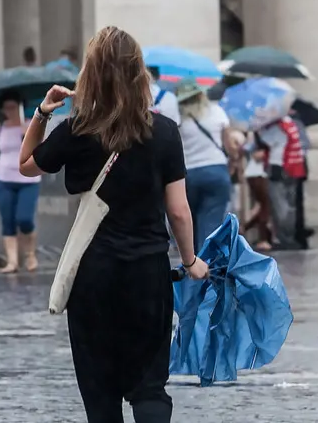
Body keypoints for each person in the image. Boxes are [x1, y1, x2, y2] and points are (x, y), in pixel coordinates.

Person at [19, 26, 208, 423]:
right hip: (148, 275)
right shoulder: (164, 132)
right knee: (150, 386)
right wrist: (190, 261)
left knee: (100, 394)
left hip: (94, 276)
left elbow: (26, 165)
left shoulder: (78, 129)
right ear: (140, 74)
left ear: (90, 75)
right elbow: (178, 210)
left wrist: (41, 112)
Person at [0, 91, 40, 273]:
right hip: (4, 179)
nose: (9, 111)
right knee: (8, 221)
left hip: (28, 180)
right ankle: (12, 261)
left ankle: (30, 255)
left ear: (20, 106)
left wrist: (26, 134)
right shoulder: (1, 128)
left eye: (13, 107)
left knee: (25, 219)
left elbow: (40, 149)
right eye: (6, 108)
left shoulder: (30, 125)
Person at [174, 79, 235, 251]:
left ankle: (193, 263)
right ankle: (208, 264)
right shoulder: (216, 111)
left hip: (188, 174)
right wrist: (233, 162)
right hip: (217, 171)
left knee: (189, 223)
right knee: (212, 222)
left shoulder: (178, 117)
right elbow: (229, 144)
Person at [256, 117, 307, 250]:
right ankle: (289, 237)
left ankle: (284, 238)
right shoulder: (291, 123)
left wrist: (259, 128)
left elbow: (263, 142)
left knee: (280, 206)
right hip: (294, 168)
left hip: (278, 168)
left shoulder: (277, 126)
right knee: (290, 207)